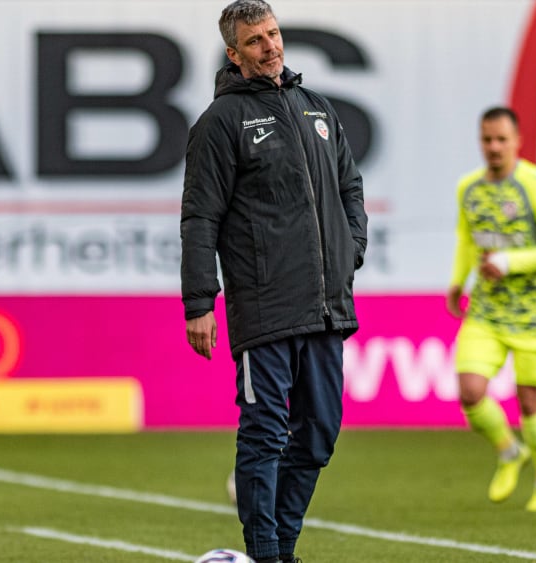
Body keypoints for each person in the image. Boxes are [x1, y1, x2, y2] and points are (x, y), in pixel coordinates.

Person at [180, 1, 367, 560]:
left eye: (274, 33)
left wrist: (349, 250)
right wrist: (199, 301)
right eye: (256, 41)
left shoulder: (317, 108)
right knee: (264, 431)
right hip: (264, 305)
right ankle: (265, 552)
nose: (270, 46)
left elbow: (349, 187)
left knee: (319, 434)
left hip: (327, 304)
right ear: (234, 55)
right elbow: (200, 217)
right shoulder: (220, 123)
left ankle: (281, 547)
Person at [446, 107, 536, 512]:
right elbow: (468, 238)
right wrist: (458, 281)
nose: (494, 147)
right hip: (486, 312)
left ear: (518, 141)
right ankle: (508, 452)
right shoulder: (469, 187)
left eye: (502, 140)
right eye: (487, 140)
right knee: (470, 391)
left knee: (530, 401)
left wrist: (509, 262)